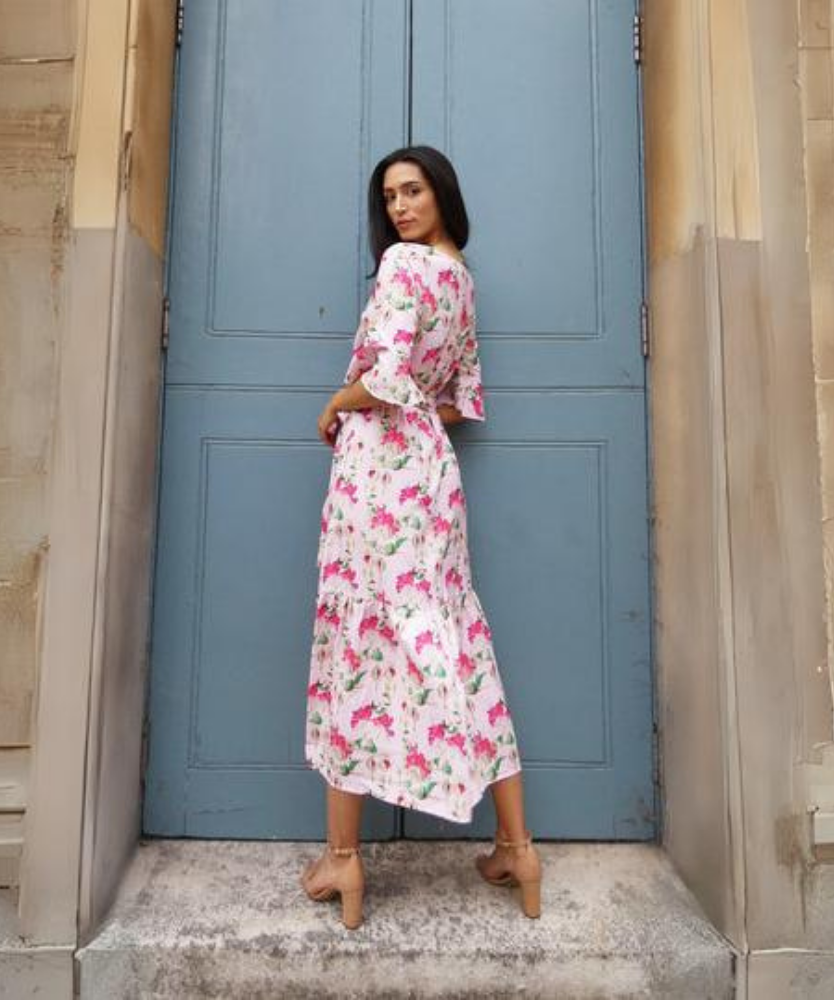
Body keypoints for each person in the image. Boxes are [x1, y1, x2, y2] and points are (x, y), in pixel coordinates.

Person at [301, 146, 542, 929]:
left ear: (442, 192)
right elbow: (456, 401)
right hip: (430, 476)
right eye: (390, 197)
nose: (400, 207)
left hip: (377, 472)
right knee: (456, 635)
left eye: (413, 190)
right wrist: (402, 414)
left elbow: (392, 377)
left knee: (362, 637)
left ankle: (343, 863)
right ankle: (517, 846)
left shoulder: (404, 269)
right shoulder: (461, 280)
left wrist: (340, 401)